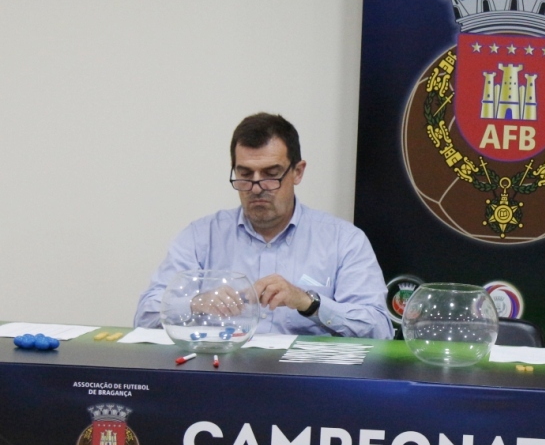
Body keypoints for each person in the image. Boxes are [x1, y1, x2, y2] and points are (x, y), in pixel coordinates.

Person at [134, 113, 394, 338]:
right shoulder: (201, 237)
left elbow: (380, 330)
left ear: (298, 172)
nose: (257, 187)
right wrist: (195, 303)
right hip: (221, 377)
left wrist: (308, 303)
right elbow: (144, 318)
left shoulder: (343, 240)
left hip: (307, 383)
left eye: (271, 175)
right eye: (245, 175)